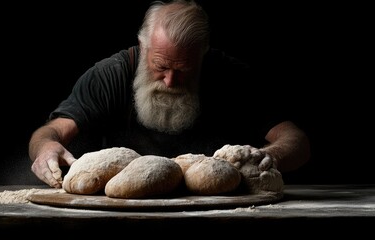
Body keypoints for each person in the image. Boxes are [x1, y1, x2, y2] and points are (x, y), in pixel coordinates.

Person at [28, 0, 311, 188]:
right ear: (143, 46)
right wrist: (44, 149)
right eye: (161, 66)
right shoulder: (111, 75)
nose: (171, 80)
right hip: (122, 213)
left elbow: (295, 140)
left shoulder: (230, 76)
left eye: (184, 69)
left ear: (203, 55)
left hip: (220, 213)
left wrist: (266, 157)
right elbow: (52, 131)